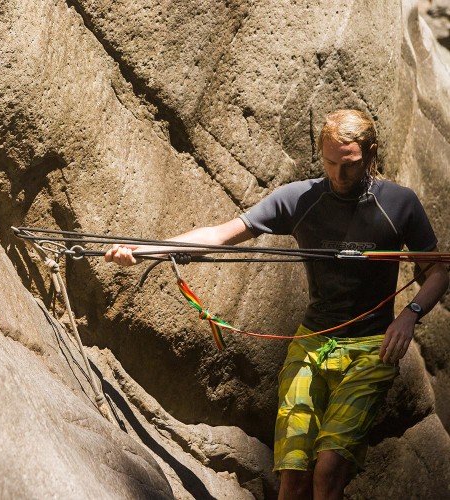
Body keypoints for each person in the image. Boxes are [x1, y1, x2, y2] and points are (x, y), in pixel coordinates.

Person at [104, 109, 449, 499]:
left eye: (349, 164)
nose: (338, 175)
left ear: (370, 153)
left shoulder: (399, 203)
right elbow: (221, 234)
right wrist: (147, 250)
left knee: (329, 469)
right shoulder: (301, 198)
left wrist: (410, 315)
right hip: (312, 342)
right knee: (293, 474)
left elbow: (437, 270)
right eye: (330, 163)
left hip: (371, 349)